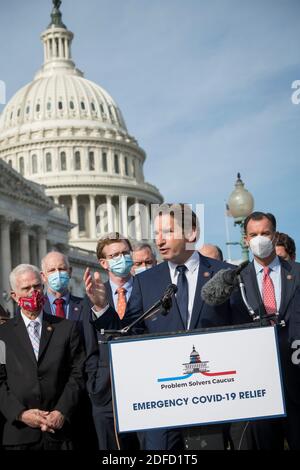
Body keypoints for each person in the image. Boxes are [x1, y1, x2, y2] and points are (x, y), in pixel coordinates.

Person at [84, 204, 237, 450]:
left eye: (167, 232)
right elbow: (128, 336)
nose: (159, 240)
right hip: (163, 403)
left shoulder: (224, 274)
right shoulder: (145, 282)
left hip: (214, 397)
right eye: (156, 234)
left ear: (191, 234)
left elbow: (240, 332)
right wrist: (102, 308)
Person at [232, 211, 300, 450]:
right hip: (258, 390)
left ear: (275, 235)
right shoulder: (236, 281)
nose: (259, 239)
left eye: (265, 233)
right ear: (245, 240)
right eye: (253, 234)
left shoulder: (298, 273)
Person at [0, 264, 85, 450]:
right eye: (26, 288)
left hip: (60, 433)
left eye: (37, 286)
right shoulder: (2, 334)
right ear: (14, 296)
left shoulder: (67, 328)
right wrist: (21, 414)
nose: (33, 292)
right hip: (19, 434)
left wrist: (61, 411)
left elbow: (77, 373)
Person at [86, 233, 140, 450]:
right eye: (115, 255)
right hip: (105, 392)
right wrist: (95, 384)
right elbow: (89, 347)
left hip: (144, 386)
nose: (121, 258)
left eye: (125, 253)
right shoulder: (93, 295)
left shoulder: (148, 290)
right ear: (104, 262)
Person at [40, 251, 98, 449]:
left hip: (81, 399)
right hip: (47, 403)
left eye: (62, 269)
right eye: (52, 270)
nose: (58, 273)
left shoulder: (84, 306)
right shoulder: (35, 311)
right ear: (43, 276)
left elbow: (91, 349)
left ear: (71, 271)